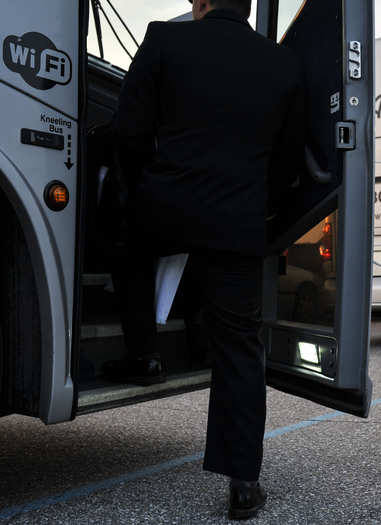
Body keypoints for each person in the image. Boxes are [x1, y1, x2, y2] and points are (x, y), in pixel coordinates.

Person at [112, 0, 305, 519]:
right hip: (235, 219)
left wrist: (144, 190)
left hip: (165, 208)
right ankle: (243, 483)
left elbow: (128, 132)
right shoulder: (281, 62)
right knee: (239, 343)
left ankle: (145, 353)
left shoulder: (163, 40)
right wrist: (262, 213)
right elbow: (289, 159)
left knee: (128, 252)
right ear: (246, 8)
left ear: (200, 3)